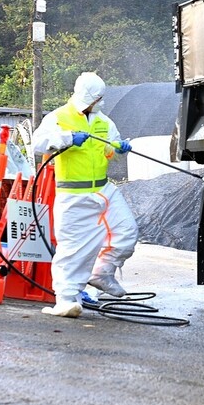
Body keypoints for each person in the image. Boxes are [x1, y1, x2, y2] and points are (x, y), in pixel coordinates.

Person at [33, 72, 139, 318]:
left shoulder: (105, 122)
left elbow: (111, 149)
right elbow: (38, 144)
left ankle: (102, 273)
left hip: (103, 190)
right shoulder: (58, 118)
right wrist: (67, 138)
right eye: (98, 98)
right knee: (72, 250)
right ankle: (65, 300)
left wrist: (120, 148)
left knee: (126, 231)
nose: (100, 102)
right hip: (73, 196)